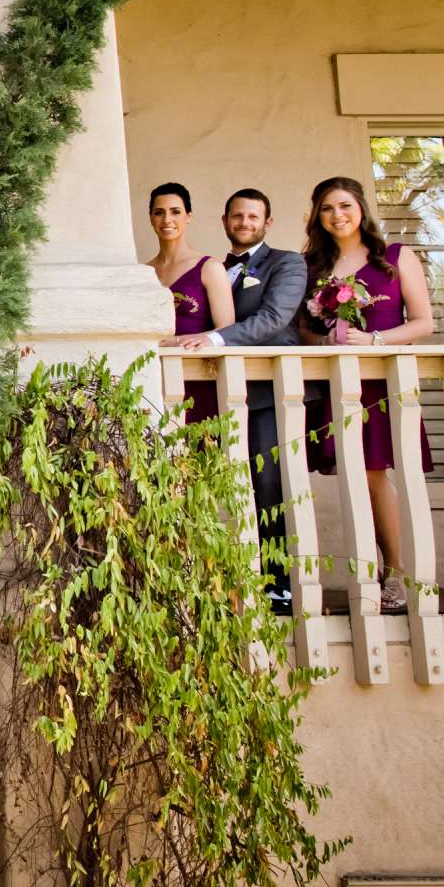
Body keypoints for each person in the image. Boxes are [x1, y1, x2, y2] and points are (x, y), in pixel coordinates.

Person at [297, 174, 435, 617]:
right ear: (317, 216)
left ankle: (394, 573)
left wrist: (374, 341)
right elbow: (302, 327)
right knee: (355, 477)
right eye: (327, 208)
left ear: (361, 209)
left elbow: (423, 322)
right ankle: (372, 572)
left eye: (345, 206)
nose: (337, 215)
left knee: (376, 476)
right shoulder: (312, 267)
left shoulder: (394, 258)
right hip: (337, 384)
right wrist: (325, 342)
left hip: (382, 381)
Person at [169, 187, 308, 611]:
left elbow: (273, 320)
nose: (244, 223)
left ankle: (278, 586)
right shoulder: (213, 268)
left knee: (268, 484)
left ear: (267, 223)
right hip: (217, 395)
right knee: (209, 485)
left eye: (253, 217)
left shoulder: (287, 263)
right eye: (237, 216)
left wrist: (211, 338)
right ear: (224, 220)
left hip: (268, 393)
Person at [146, 181, 235, 424]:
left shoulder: (209, 267)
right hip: (153, 375)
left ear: (188, 217)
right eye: (159, 212)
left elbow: (227, 330)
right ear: (151, 218)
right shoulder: (143, 273)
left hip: (198, 375)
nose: (167, 219)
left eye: (175, 211)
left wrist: (174, 342)